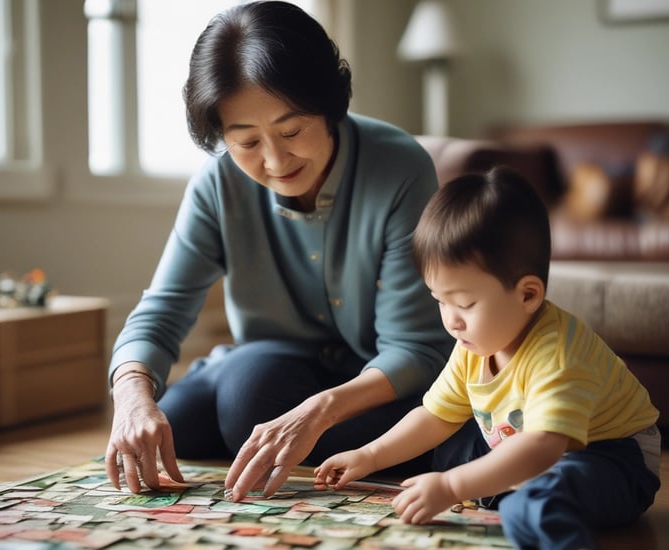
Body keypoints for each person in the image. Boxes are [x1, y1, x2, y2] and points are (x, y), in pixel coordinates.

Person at [104, 0, 456, 500]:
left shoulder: (399, 167)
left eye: (291, 131)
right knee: (172, 425)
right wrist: (131, 398)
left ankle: (429, 433)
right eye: (247, 142)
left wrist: (315, 413)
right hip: (274, 361)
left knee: (248, 406)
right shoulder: (216, 184)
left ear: (328, 105)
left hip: (375, 376)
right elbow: (161, 311)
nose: (274, 160)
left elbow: (416, 348)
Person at [313, 166, 661, 549]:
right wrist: (369, 455)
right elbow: (436, 416)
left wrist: (452, 486)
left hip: (611, 458)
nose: (452, 321)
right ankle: (505, 491)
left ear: (528, 295)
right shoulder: (473, 345)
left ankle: (529, 510)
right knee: (450, 449)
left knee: (531, 503)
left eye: (465, 304)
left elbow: (544, 446)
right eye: (440, 301)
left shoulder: (558, 353)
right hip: (531, 446)